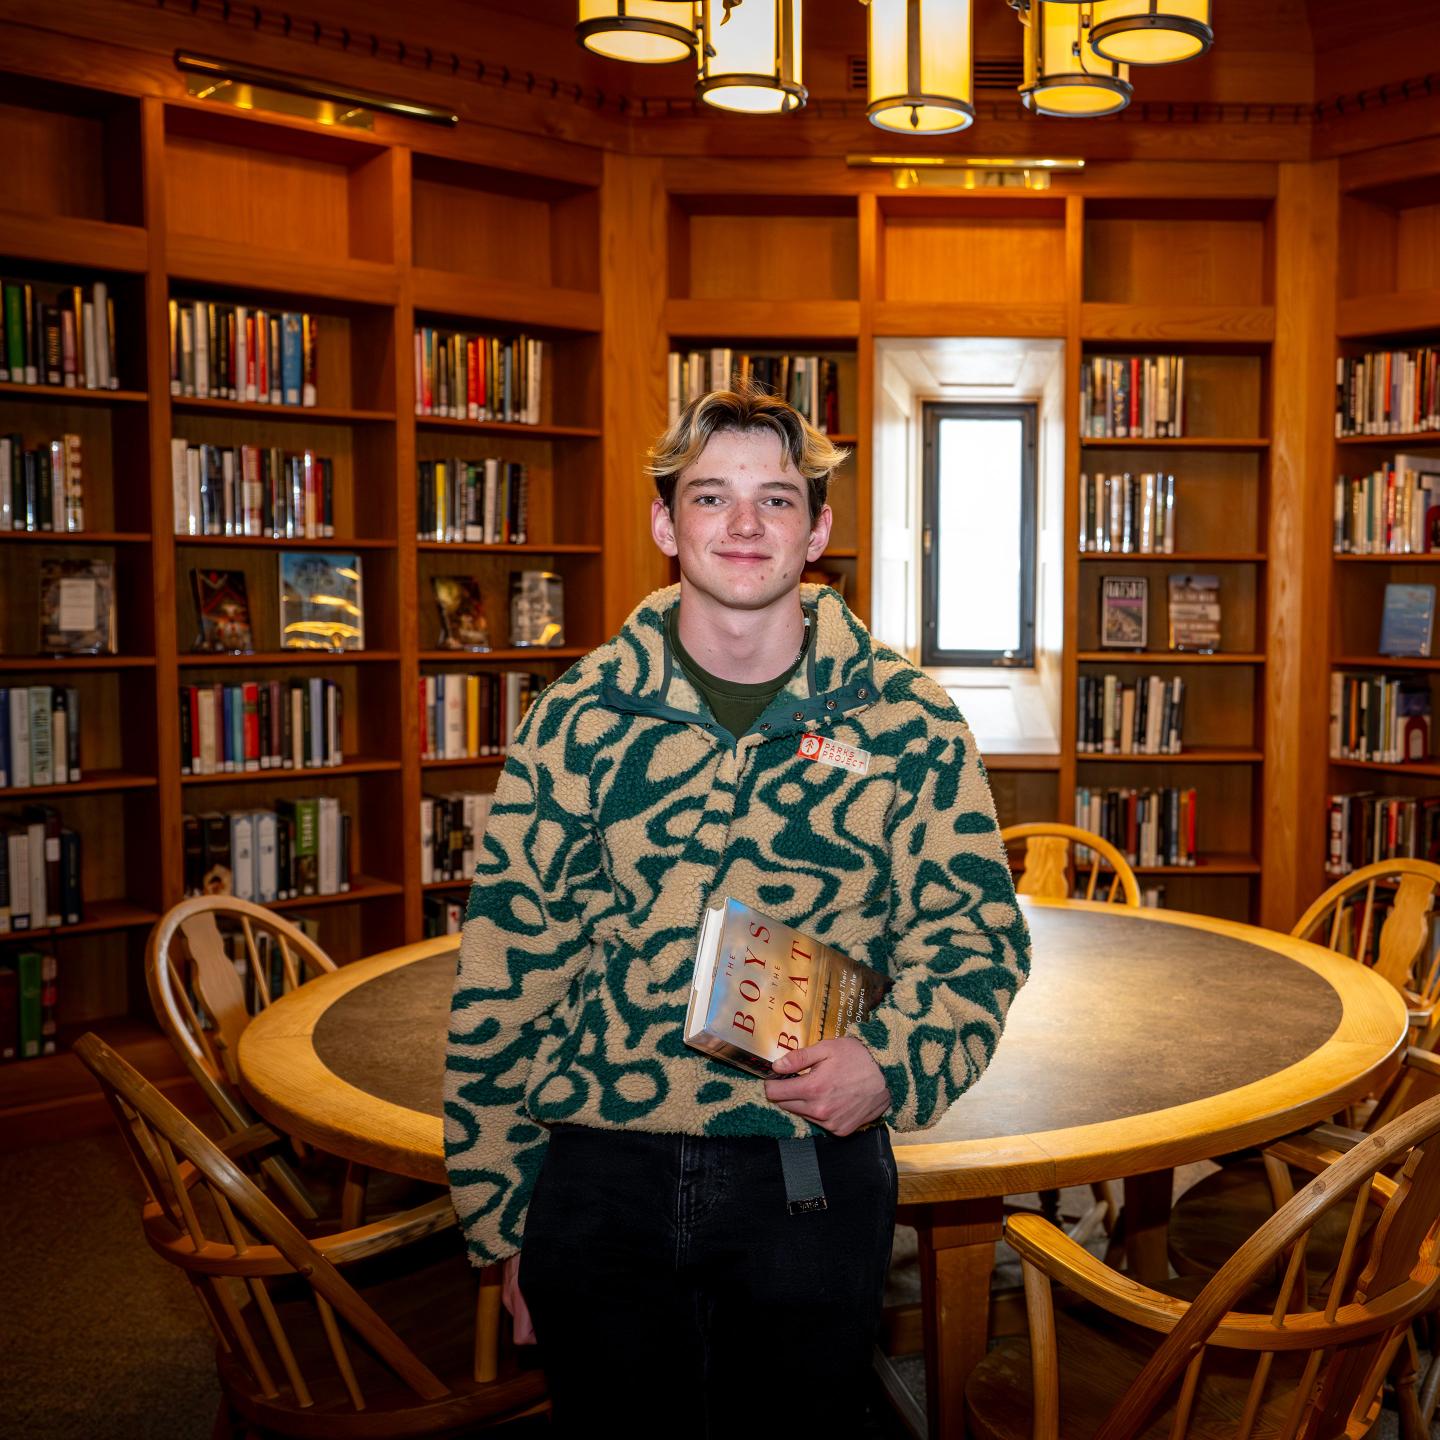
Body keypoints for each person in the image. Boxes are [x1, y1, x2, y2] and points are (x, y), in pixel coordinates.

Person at [444, 380, 1031, 1433]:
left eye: (777, 498)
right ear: (667, 524)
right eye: (712, 498)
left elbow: (977, 943)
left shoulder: (907, 721)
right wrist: (502, 1218)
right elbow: (505, 974)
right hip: (598, 1168)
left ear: (819, 529)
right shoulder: (575, 718)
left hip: (807, 1169)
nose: (746, 524)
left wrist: (892, 1062)